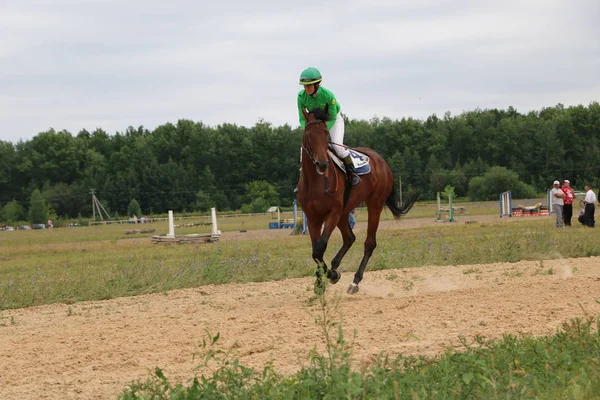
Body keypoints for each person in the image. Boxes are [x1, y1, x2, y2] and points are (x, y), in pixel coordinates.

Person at [297, 67, 360, 186]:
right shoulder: (300, 97)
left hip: (333, 121)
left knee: (338, 148)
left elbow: (332, 118)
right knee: (303, 149)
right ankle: (302, 178)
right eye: (304, 86)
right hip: (315, 124)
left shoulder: (328, 95)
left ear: (317, 84)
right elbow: (301, 118)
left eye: (309, 85)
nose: (306, 88)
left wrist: (322, 130)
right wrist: (308, 129)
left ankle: (352, 173)